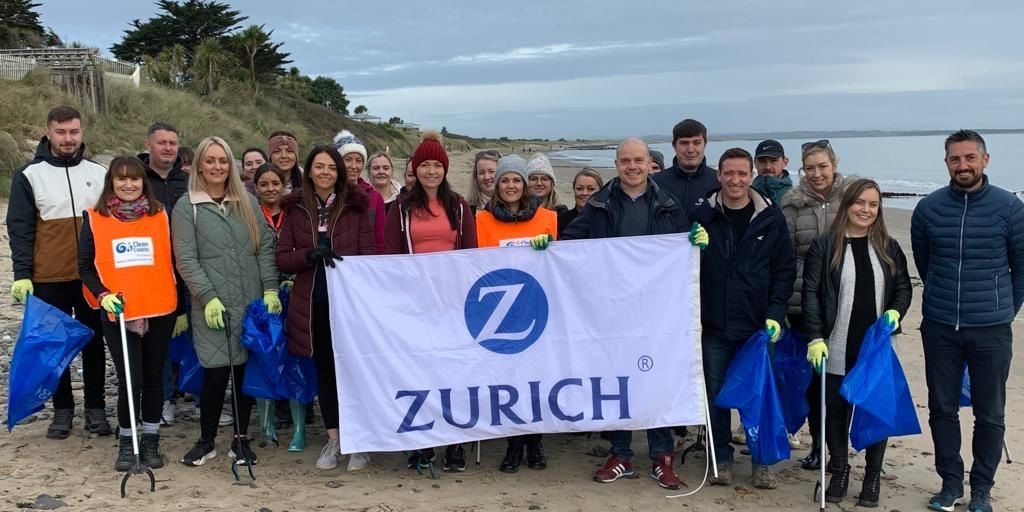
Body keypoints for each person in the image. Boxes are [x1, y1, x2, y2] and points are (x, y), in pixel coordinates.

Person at [561, 138, 688, 490]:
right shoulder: (600, 204)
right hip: (612, 312)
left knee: (655, 379)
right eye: (625, 161)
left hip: (655, 313)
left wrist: (695, 243)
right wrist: (545, 249)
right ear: (616, 165)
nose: (632, 167)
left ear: (650, 164)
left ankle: (662, 457)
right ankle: (621, 454)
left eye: (639, 161)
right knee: (616, 382)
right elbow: (571, 241)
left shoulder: (668, 203)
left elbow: (684, 250)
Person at [911, 130, 1024, 512]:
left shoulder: (1010, 208)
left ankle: (981, 489)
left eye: (970, 158)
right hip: (940, 325)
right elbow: (925, 263)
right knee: (942, 407)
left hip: (991, 328)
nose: (963, 166)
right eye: (955, 159)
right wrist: (944, 299)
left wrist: (1004, 309)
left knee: (989, 412)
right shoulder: (928, 209)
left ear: (985, 160)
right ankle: (950, 483)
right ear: (946, 163)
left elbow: (1021, 270)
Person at [689, 147, 796, 489]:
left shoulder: (771, 217)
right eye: (728, 173)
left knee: (760, 396)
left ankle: (762, 462)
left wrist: (776, 313)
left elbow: (784, 270)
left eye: (742, 173)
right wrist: (689, 244)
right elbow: (679, 264)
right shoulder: (701, 215)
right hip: (714, 326)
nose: (735, 180)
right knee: (718, 396)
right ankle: (721, 458)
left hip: (756, 327)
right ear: (718, 175)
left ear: (752, 176)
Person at [802, 179, 912, 507]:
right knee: (836, 410)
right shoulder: (825, 246)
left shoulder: (889, 246)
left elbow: (904, 287)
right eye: (860, 203)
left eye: (873, 204)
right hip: (835, 343)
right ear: (847, 204)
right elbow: (811, 293)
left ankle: (873, 476)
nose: (866, 210)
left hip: (875, 347)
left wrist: (895, 312)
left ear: (879, 210)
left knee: (875, 409)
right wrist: (815, 337)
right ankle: (839, 469)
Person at [172, 136, 281, 467]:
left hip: (248, 304)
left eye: (223, 161)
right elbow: (186, 259)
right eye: (211, 160)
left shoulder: (246, 202)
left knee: (243, 373)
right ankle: (206, 441)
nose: (217, 167)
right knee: (216, 375)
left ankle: (240, 440)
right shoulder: (185, 207)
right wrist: (207, 298)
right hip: (213, 307)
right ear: (200, 165)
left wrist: (271, 289)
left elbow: (263, 249)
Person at [7, 105, 112, 439]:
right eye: (62, 132)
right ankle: (62, 410)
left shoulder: (98, 173)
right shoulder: (29, 175)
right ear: (48, 132)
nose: (69, 139)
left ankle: (95, 409)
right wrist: (22, 273)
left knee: (94, 344)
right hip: (47, 277)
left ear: (82, 133)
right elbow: (20, 227)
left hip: (90, 278)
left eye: (74, 132)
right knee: (55, 346)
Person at [276, 145, 376, 471]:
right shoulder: (295, 209)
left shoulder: (356, 207)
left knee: (353, 370)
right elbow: (282, 258)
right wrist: (308, 255)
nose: (325, 173)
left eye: (331, 167)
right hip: (312, 303)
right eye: (319, 167)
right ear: (309, 170)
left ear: (339, 172)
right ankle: (334, 439)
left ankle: (358, 440)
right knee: (326, 372)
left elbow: (368, 256)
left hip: (348, 304)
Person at [384, 131, 477, 471]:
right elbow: (391, 255)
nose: (431, 171)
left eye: (437, 165)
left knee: (453, 371)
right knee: (420, 371)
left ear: (446, 169)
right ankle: (422, 440)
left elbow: (470, 255)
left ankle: (455, 442)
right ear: (415, 168)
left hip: (452, 302)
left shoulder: (458, 206)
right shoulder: (401, 208)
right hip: (416, 302)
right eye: (425, 164)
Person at [78, 156, 179, 471]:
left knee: (152, 378)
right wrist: (102, 295)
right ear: (111, 182)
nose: (128, 184)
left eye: (134, 179)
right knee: (129, 379)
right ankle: (126, 440)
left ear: (143, 182)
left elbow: (175, 259)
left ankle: (150, 439)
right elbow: (85, 267)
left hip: (159, 307)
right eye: (121, 179)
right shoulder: (95, 218)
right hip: (119, 311)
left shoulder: (160, 214)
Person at [474, 154, 557, 472]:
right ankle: (513, 445)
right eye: (504, 180)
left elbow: (559, 264)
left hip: (536, 309)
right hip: (499, 315)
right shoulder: (481, 220)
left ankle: (535, 443)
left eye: (516, 180)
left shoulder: (548, 218)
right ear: (496, 185)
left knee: (536, 380)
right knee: (508, 381)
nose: (510, 185)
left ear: (526, 185)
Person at [780, 139, 850, 471]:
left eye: (822, 166)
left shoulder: (851, 200)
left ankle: (840, 448)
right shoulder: (791, 206)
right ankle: (818, 445)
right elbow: (785, 257)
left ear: (834, 165)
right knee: (812, 383)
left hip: (846, 304)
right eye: (810, 168)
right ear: (802, 170)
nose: (817, 173)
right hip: (801, 306)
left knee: (840, 381)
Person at [137, 122, 190, 427]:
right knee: (158, 341)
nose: (168, 148)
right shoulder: (136, 179)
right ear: (149, 144)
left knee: (187, 335)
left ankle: (190, 393)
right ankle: (164, 400)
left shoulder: (188, 181)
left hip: (186, 266)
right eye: (162, 143)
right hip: (151, 270)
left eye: (173, 142)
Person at [331, 130, 386, 253]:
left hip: (365, 265)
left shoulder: (374, 197)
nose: (354, 166)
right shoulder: (327, 194)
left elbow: (380, 239)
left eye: (359, 160)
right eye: (348, 159)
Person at [651, 119, 718, 211]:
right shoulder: (656, 184)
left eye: (697, 143)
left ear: (705, 144)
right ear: (674, 145)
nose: (690, 149)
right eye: (684, 143)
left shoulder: (718, 182)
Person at [557, 168, 603, 236]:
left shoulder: (607, 220)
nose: (584, 193)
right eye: (579, 188)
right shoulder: (562, 220)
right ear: (574, 190)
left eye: (591, 189)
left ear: (601, 191)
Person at [751, 139, 793, 204]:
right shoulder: (747, 196)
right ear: (755, 163)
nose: (768, 167)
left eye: (773, 161)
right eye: (762, 161)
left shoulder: (797, 197)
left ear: (785, 162)